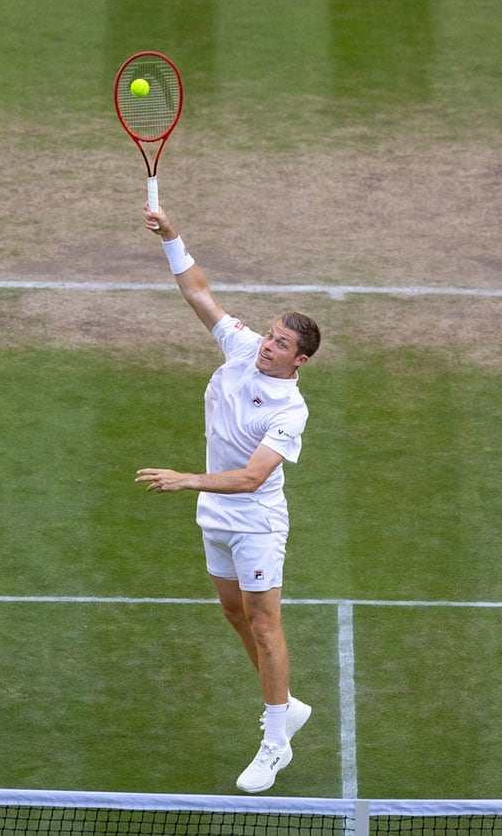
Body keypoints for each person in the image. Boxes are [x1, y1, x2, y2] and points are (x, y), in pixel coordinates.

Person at [134, 204, 321, 794]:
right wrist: (173, 237)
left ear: (301, 361)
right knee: (233, 614)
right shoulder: (241, 350)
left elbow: (250, 479)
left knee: (266, 625)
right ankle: (285, 704)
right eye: (269, 334)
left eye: (281, 343)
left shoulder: (291, 411)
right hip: (214, 516)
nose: (267, 344)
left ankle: (274, 744)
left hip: (255, 521)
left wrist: (185, 479)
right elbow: (198, 293)